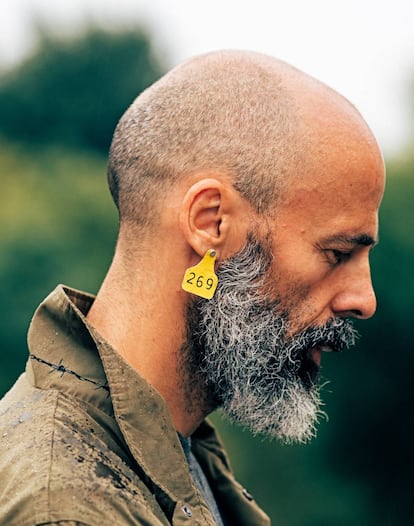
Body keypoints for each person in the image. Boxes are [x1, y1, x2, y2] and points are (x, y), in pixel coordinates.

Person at [0, 50, 385, 525]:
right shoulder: (65, 506)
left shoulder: (178, 455)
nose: (363, 300)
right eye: (338, 253)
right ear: (211, 222)